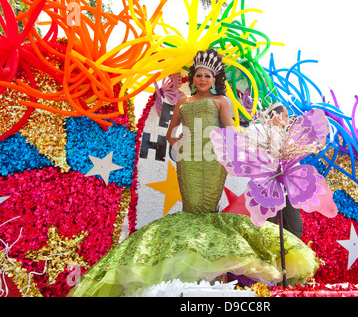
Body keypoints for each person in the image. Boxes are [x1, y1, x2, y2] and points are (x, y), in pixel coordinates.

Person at [68, 49, 319, 297]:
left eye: (208, 76)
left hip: (212, 162)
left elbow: (229, 131)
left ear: (214, 79)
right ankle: (191, 275)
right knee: (191, 211)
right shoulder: (182, 101)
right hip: (187, 162)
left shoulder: (222, 101)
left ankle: (208, 275)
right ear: (193, 77)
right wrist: (180, 148)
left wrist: (238, 154)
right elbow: (170, 133)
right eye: (199, 75)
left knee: (208, 212)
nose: (203, 80)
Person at [264, 103, 304, 239]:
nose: (288, 119)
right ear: (276, 116)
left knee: (295, 227)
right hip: (269, 189)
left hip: (288, 190)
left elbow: (295, 163)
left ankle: (289, 257)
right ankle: (271, 258)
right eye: (286, 116)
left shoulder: (287, 137)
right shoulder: (262, 133)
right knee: (270, 225)